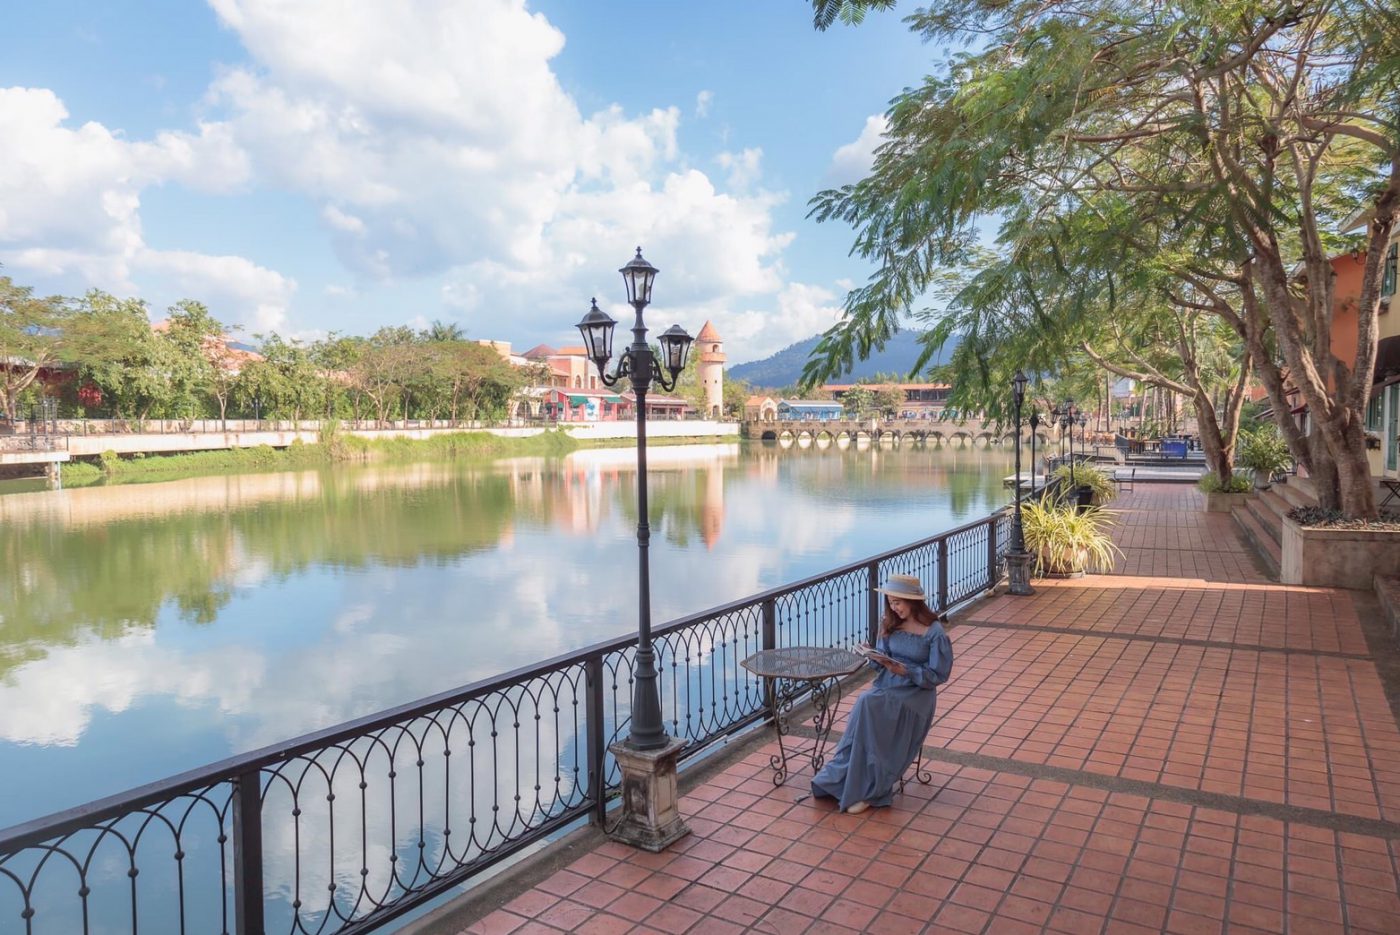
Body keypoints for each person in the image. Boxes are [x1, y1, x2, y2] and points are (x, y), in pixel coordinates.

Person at [811, 574, 954, 815]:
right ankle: (846, 779)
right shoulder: (889, 623)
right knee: (866, 705)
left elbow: (938, 675)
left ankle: (870, 789)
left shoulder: (934, 632)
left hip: (915, 695)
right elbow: (881, 664)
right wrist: (874, 656)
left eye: (898, 602)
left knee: (867, 703)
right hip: (887, 686)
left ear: (913, 601)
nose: (893, 608)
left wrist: (905, 670)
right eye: (890, 602)